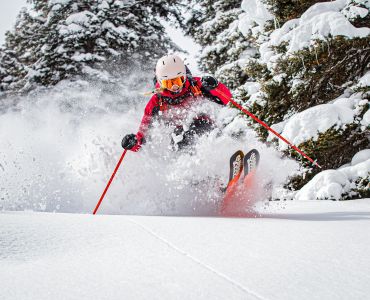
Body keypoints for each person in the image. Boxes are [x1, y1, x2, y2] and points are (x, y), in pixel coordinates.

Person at [121, 54, 233, 152]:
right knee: (180, 141)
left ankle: (223, 155)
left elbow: (227, 100)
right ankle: (194, 173)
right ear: (160, 82)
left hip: (206, 126)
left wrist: (215, 86)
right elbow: (144, 132)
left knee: (200, 127)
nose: (175, 87)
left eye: (178, 81)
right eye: (168, 83)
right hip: (178, 136)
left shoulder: (196, 84)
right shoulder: (157, 100)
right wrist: (134, 143)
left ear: (184, 76)